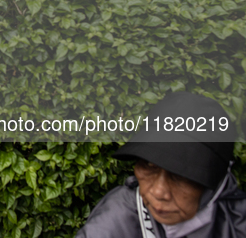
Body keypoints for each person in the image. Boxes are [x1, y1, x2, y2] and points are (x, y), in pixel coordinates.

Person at [76, 92, 246, 238]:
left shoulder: (237, 220)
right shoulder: (117, 218)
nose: (158, 192)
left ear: (216, 181)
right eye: (149, 166)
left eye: (181, 174)